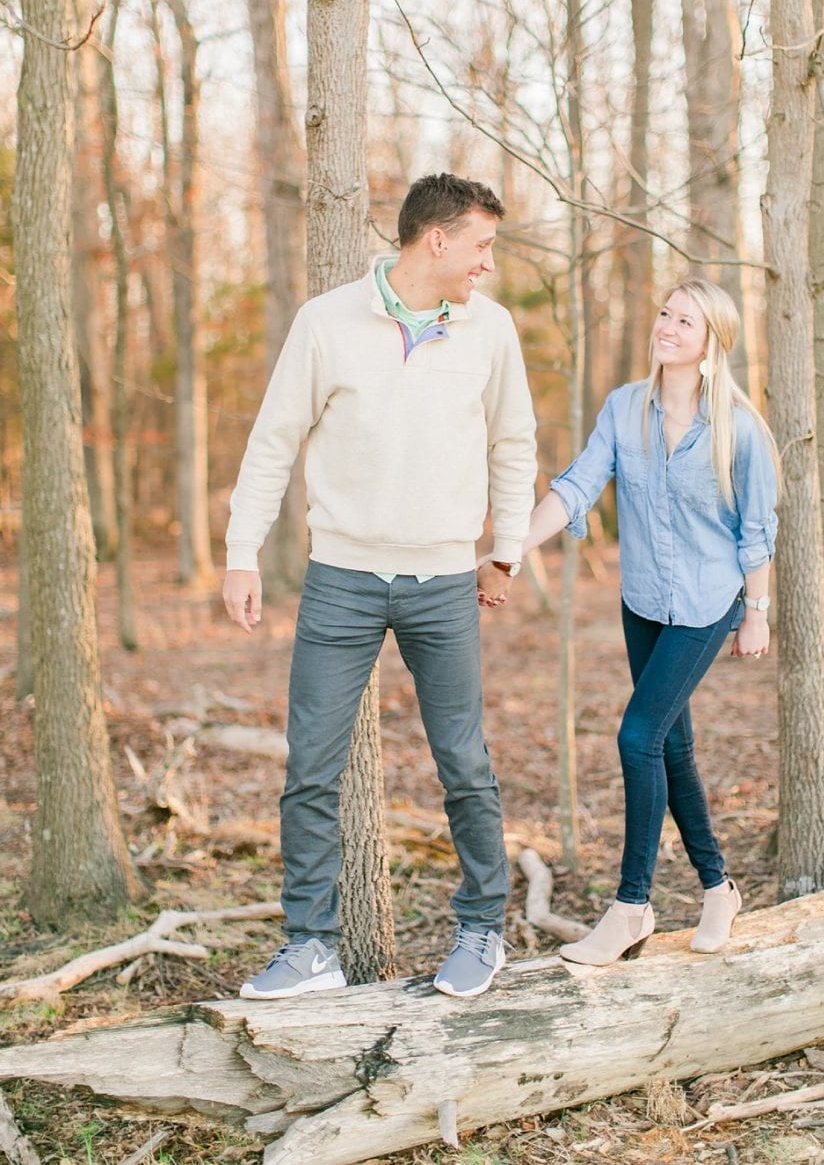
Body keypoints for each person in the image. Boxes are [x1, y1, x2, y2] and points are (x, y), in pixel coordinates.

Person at [222, 172, 538, 1000]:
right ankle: (311, 948)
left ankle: (481, 929)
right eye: (480, 246)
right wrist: (240, 550)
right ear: (436, 240)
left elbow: (514, 443)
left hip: (442, 581)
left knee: (464, 764)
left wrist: (506, 549)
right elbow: (272, 440)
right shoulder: (326, 323)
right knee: (312, 770)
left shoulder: (490, 331)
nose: (486, 264)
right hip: (342, 579)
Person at [490, 276, 778, 965]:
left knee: (638, 735)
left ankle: (631, 906)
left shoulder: (739, 428)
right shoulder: (625, 409)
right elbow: (576, 486)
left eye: (686, 321)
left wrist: (758, 613)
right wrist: (510, 548)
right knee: (671, 748)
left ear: (712, 344)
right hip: (644, 601)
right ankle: (719, 888)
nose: (667, 327)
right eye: (665, 313)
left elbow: (757, 531)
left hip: (709, 605)